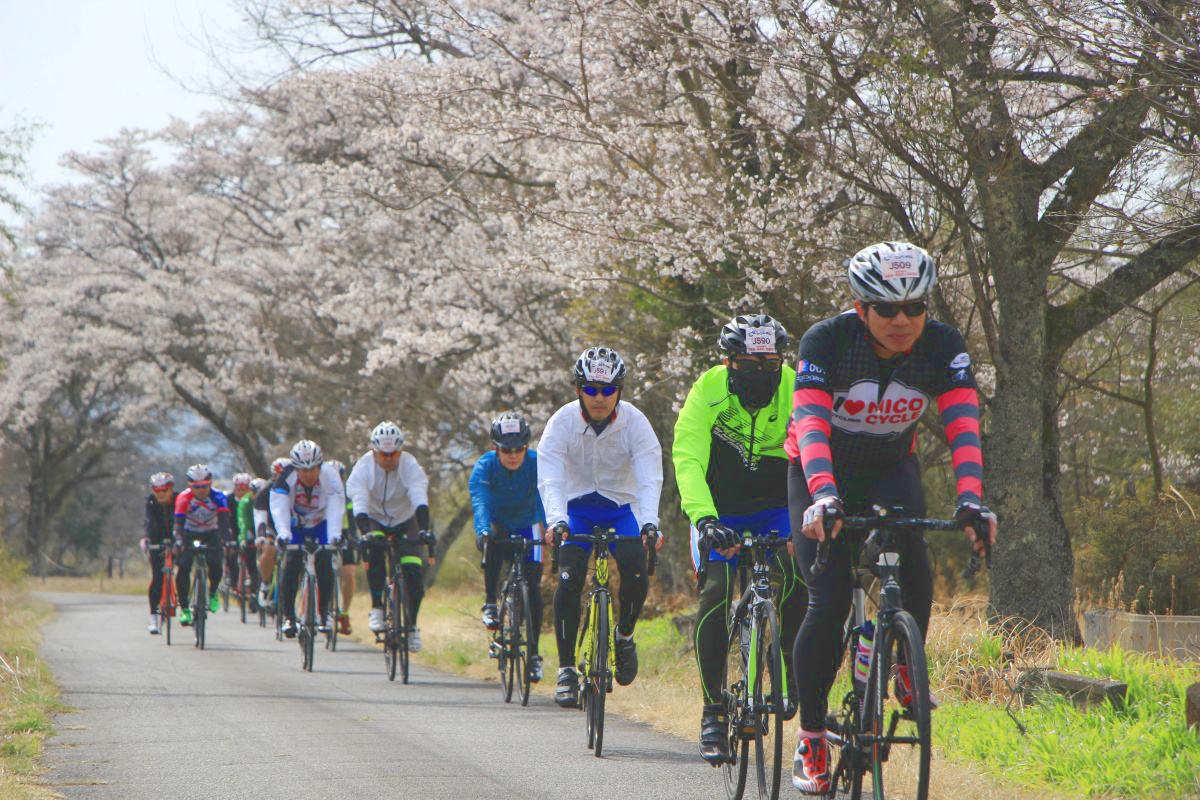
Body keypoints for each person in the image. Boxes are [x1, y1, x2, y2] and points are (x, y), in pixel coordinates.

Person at [786, 242, 998, 794]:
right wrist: (824, 496)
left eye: (916, 307)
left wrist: (971, 499)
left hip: (888, 469)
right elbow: (809, 423)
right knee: (828, 597)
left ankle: (903, 661)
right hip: (817, 474)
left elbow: (963, 427)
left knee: (914, 560)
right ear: (861, 308)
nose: (903, 320)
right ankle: (809, 737)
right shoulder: (826, 341)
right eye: (887, 309)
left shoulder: (942, 345)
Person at [673, 314, 807, 764]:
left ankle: (783, 663)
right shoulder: (707, 391)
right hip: (720, 507)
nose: (761, 374)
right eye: (749, 365)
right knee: (714, 592)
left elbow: (812, 449)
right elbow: (688, 457)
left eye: (770, 365)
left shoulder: (794, 386)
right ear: (729, 363)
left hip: (775, 503)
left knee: (796, 577)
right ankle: (713, 710)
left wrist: (806, 515)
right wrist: (705, 519)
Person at [538, 346, 664, 708]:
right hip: (575, 508)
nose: (599, 398)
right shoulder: (561, 422)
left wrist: (650, 523)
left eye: (607, 390)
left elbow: (649, 477)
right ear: (578, 389)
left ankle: (624, 637)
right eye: (591, 389)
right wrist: (557, 520)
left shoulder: (635, 423)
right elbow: (550, 477)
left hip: (621, 507)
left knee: (635, 567)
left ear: (619, 391)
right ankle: (565, 670)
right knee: (570, 574)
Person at [469, 413, 547, 681]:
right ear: (495, 448)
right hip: (498, 522)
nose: (513, 455)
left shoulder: (538, 464)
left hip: (529, 523)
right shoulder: (484, 467)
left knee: (534, 586)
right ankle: (491, 603)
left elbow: (547, 497)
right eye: (506, 450)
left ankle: (534, 654)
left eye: (519, 449)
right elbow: (481, 503)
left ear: (527, 447)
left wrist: (549, 530)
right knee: (492, 538)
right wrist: (482, 532)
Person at [347, 422, 436, 652]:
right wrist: (365, 534)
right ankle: (377, 606)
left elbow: (419, 498)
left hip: (406, 519)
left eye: (393, 454)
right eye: (383, 454)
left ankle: (413, 626)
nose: (388, 459)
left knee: (414, 573)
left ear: (400, 451)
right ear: (374, 452)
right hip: (375, 518)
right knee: (375, 550)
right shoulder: (363, 468)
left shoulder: (410, 466)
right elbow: (359, 505)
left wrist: (424, 530)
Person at [270, 440, 344, 638]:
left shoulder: (331, 475)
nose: (309, 474)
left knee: (325, 561)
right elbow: (279, 507)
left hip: (322, 524)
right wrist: (283, 533)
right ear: (295, 468)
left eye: (313, 469)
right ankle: (288, 617)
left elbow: (337, 505)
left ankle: (325, 612)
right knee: (291, 563)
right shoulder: (285, 477)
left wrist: (335, 534)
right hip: (296, 525)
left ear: (320, 466)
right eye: (303, 470)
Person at [173, 465, 231, 626]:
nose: (201, 490)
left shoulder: (218, 497)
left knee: (216, 561)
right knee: (183, 566)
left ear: (210, 483)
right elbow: (178, 523)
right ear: (190, 485)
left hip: (211, 532)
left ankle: (212, 593)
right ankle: (184, 608)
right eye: (196, 487)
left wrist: (226, 540)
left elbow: (225, 522)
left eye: (205, 486)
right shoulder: (183, 498)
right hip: (188, 533)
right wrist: (178, 540)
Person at [141, 472, 178, 634]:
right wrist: (148, 540)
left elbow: (182, 521)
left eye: (165, 491)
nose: (161, 494)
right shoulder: (150, 502)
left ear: (171, 490)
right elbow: (149, 522)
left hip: (177, 537)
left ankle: (185, 606)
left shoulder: (179, 500)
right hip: (157, 538)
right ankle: (153, 616)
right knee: (157, 576)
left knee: (183, 569)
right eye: (157, 491)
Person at [326, 458, 357, 636]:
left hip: (344, 534)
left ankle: (344, 613)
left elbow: (352, 519)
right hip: (326, 533)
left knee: (349, 574)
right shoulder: (320, 492)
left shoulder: (347, 495)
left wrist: (353, 538)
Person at [255, 457, 290, 608]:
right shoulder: (265, 491)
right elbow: (260, 517)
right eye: (277, 476)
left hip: (290, 527)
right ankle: (265, 582)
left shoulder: (296, 487)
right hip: (271, 527)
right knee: (269, 549)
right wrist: (261, 536)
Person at [224, 472, 254, 608]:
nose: (241, 492)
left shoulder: (250, 500)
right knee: (231, 553)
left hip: (246, 531)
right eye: (239, 489)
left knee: (251, 556)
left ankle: (252, 583)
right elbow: (224, 520)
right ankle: (231, 578)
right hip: (232, 530)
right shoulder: (228, 500)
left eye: (244, 489)